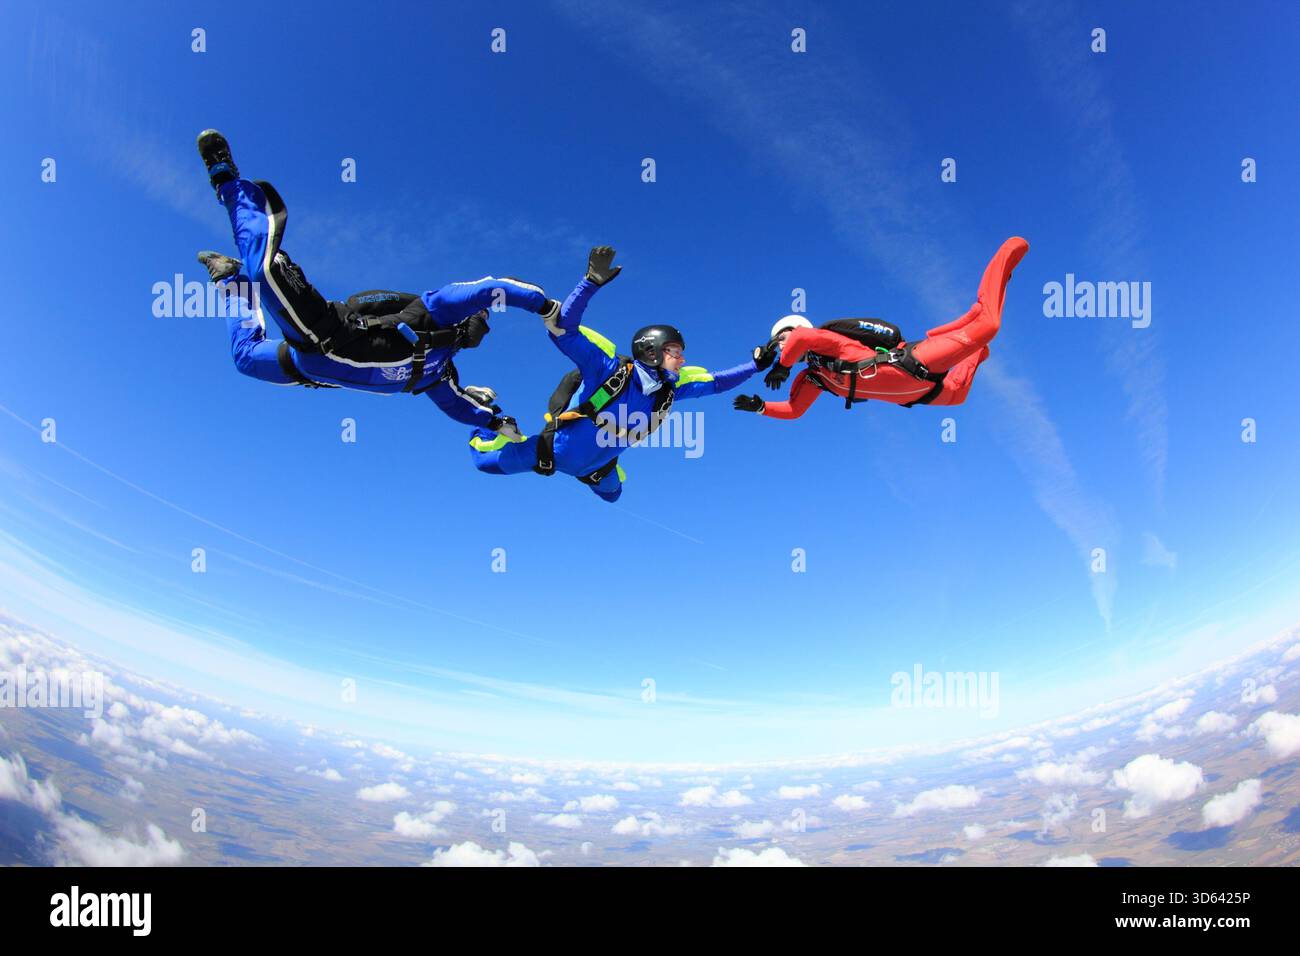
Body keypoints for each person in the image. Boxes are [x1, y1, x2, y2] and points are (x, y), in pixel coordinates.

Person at [195, 129, 559, 435]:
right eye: (481, 319)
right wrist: (544, 307)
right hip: (326, 333)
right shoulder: (436, 311)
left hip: (310, 366)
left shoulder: (438, 371)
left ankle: (231, 280)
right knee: (267, 271)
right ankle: (227, 182)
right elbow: (491, 288)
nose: (483, 328)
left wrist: (495, 423)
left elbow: (457, 407)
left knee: (245, 358)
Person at [468, 247, 776, 502]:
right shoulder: (607, 369)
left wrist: (755, 365)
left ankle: (606, 467)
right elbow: (564, 330)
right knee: (483, 463)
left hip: (599, 467)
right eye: (675, 350)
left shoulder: (671, 390)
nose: (682, 358)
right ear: (652, 351)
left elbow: (717, 382)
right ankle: (487, 415)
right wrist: (589, 283)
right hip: (552, 451)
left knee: (614, 495)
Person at [733, 237, 1029, 418]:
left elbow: (803, 336)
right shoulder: (814, 378)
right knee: (958, 395)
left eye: (782, 337)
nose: (782, 344)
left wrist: (782, 366)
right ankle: (976, 353)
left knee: (988, 323)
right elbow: (795, 411)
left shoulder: (824, 341)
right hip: (918, 393)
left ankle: (1003, 260)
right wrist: (761, 407)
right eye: (777, 343)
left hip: (915, 363)